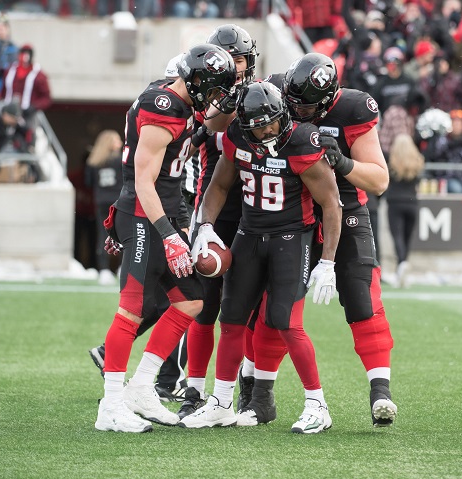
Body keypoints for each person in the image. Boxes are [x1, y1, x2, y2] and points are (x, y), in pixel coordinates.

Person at [244, 53, 396, 428]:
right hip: (293, 212)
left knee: (362, 297)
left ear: (329, 99)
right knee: (276, 305)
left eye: (306, 105)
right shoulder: (279, 88)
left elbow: (378, 180)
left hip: (344, 208)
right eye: (292, 103)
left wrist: (342, 163)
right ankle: (258, 395)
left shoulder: (355, 109)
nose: (297, 111)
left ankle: (381, 391)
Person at [180, 80, 341, 434]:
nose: (267, 128)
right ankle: (222, 402)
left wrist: (327, 260)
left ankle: (318, 405)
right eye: (259, 123)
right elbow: (219, 185)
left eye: (272, 121)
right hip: (248, 234)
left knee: (286, 322)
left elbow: (331, 203)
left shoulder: (302, 140)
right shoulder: (237, 134)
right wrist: (205, 225)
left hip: (291, 237)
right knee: (232, 318)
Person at [93, 43, 237, 433]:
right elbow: (142, 180)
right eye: (215, 90)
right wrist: (168, 236)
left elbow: (216, 124)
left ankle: (142, 386)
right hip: (144, 215)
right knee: (132, 308)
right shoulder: (162, 105)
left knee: (191, 300)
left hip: (166, 213)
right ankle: (110, 404)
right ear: (198, 82)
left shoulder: (184, 101)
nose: (216, 99)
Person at [178, 23, 258, 420]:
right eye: (229, 59)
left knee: (249, 308)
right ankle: (193, 389)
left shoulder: (265, 94)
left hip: (260, 208)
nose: (236, 67)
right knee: (205, 301)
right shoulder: (205, 95)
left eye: (241, 59)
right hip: (215, 206)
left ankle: (248, 385)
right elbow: (208, 126)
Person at [386, 133, 424, 288]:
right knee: (407, 238)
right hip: (412, 203)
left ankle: (401, 264)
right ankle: (403, 266)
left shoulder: (391, 161)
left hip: (395, 202)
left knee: (398, 237)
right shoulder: (417, 161)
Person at [86, 129, 123, 285]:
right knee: (123, 235)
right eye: (117, 140)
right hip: (118, 202)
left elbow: (89, 182)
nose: (120, 143)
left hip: (101, 201)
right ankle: (122, 268)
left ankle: (103, 270)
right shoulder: (121, 160)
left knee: (102, 235)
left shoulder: (93, 162)